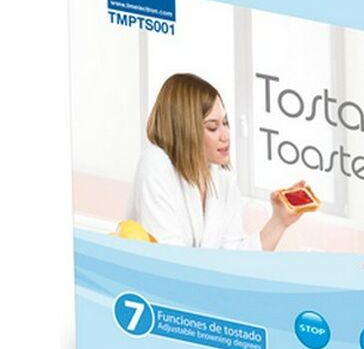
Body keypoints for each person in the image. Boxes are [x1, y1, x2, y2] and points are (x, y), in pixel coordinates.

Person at [128, 72, 304, 251]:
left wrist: (279, 222)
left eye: (225, 123)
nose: (225, 136)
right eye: (212, 127)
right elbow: (168, 256)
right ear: (184, 129)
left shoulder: (223, 181)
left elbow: (234, 257)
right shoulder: (155, 164)